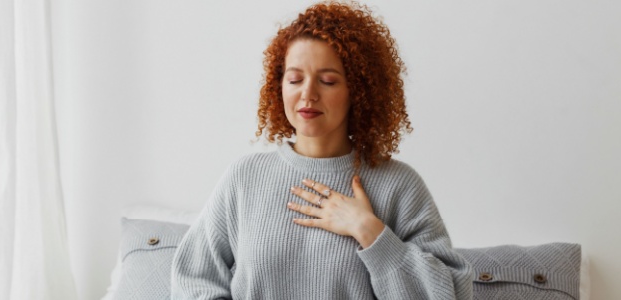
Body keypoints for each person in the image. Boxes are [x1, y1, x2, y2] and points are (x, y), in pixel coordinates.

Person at [171, 2, 474, 299]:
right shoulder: (244, 178)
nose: (308, 94)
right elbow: (192, 279)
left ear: (358, 90)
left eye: (327, 81)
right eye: (294, 79)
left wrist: (370, 232)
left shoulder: (399, 185)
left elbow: (453, 292)